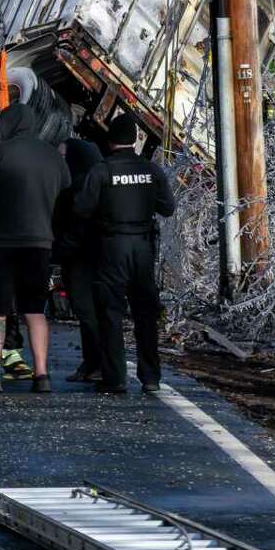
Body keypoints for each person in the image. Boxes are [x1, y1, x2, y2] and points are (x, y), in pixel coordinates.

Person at [0, 98, 71, 392]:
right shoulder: (53, 156)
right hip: (40, 242)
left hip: (0, 242)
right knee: (35, 310)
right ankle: (41, 374)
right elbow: (66, 197)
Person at [73, 115, 176, 395]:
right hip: (142, 247)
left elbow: (81, 208)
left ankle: (115, 377)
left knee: (110, 313)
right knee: (145, 313)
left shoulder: (102, 171)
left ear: (110, 141)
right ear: (136, 140)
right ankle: (151, 376)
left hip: (111, 246)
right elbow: (168, 208)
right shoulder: (151, 171)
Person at [56, 127, 106, 383]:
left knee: (87, 312)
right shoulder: (96, 181)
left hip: (80, 257)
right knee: (92, 312)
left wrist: (62, 247)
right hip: (97, 256)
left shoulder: (77, 188)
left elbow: (71, 223)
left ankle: (96, 362)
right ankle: (92, 362)